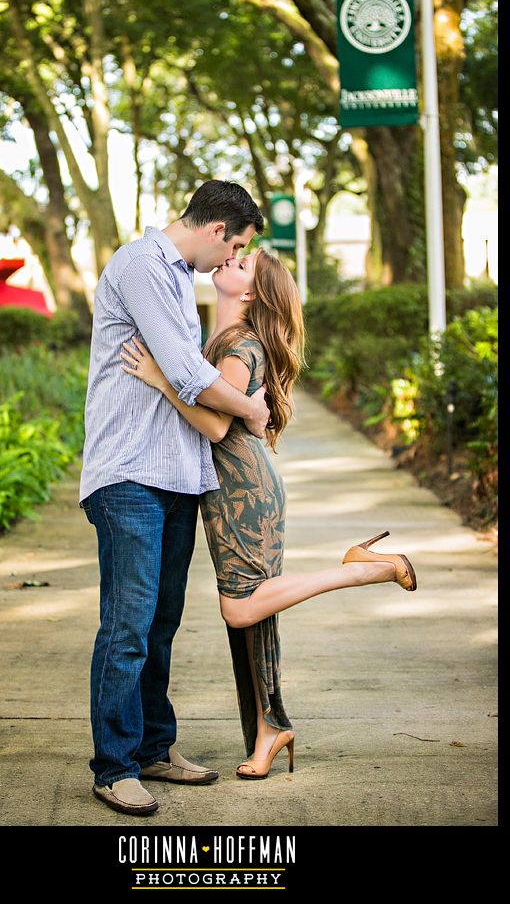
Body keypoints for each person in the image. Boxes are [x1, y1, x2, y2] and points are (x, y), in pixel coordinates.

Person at [121, 245, 417, 781]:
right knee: (254, 619)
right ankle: (268, 731)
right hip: (234, 491)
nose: (229, 260)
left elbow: (213, 427)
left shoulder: (239, 346)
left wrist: (159, 379)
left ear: (252, 292)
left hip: (243, 493)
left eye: (241, 264)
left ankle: (363, 568)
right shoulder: (225, 340)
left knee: (241, 611)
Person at [79, 180, 270, 817]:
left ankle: (156, 747)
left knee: (160, 625)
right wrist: (251, 408)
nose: (231, 259)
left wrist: (219, 401)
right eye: (236, 245)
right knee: (128, 625)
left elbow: (185, 387)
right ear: (217, 229)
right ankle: (114, 766)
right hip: (128, 474)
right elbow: (189, 376)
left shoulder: (177, 280)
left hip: (176, 478)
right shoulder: (140, 264)